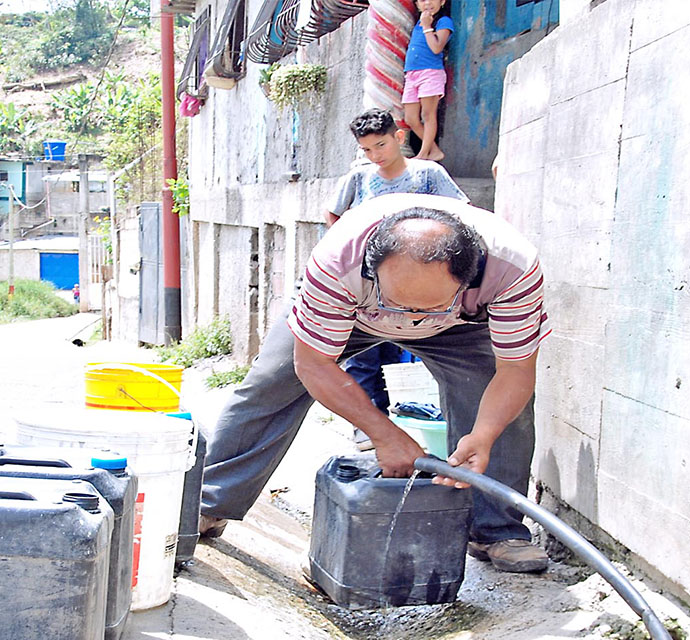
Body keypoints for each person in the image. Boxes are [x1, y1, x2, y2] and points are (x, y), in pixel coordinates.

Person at [199, 194, 552, 573]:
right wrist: (383, 434)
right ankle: (209, 503)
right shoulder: (339, 261)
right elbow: (314, 364)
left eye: (426, 306)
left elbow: (515, 370)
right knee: (270, 384)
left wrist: (483, 434)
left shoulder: (511, 268)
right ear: (372, 268)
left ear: (468, 279)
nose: (409, 318)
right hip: (354, 316)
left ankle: (497, 530)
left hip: (458, 329)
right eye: (399, 300)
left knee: (499, 409)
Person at [326, 108, 469, 449]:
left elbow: (461, 212)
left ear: (399, 138)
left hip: (421, 281)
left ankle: (412, 421)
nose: (376, 155)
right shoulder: (358, 180)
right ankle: (367, 426)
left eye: (381, 145)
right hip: (368, 283)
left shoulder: (428, 175)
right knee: (362, 356)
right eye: (367, 150)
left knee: (409, 355)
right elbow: (334, 218)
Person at [402, 0, 454, 162]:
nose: (428, 3)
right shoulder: (419, 23)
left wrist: (427, 26)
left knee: (428, 114)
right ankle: (434, 151)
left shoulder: (443, 22)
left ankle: (424, 154)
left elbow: (436, 47)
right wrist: (423, 24)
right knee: (410, 118)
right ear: (417, 5)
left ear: (442, 1)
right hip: (412, 75)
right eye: (422, 0)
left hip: (430, 73)